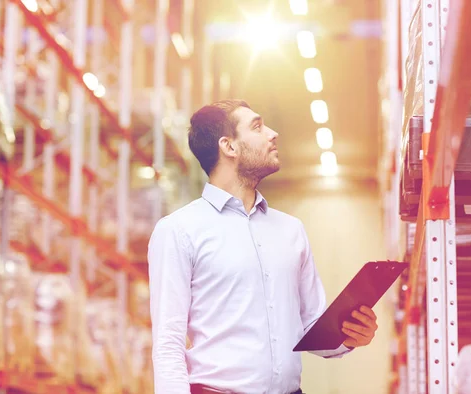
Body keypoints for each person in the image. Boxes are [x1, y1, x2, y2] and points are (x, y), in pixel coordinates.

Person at [148, 99, 379, 394]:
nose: (273, 133)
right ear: (228, 146)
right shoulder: (179, 231)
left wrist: (350, 335)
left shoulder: (291, 230)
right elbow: (168, 344)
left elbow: (312, 328)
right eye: (257, 126)